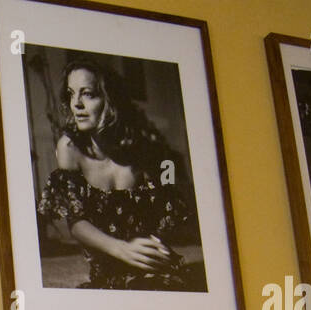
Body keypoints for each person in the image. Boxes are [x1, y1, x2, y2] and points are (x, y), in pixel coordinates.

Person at [36, 58, 203, 291]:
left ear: (109, 99)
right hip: (109, 266)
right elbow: (76, 221)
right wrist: (121, 249)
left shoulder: (140, 145)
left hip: (147, 259)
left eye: (88, 94)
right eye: (71, 94)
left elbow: (164, 205)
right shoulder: (69, 147)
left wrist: (157, 241)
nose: (76, 104)